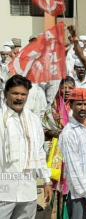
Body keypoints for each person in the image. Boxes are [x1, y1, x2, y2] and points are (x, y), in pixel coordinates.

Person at [0, 75, 53, 218]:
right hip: (3, 192)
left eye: (23, 94)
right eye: (15, 93)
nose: (19, 98)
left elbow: (39, 152)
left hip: (27, 190)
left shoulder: (33, 120)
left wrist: (47, 180)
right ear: (6, 94)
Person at [59, 88, 86, 219]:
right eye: (79, 104)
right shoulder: (68, 133)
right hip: (80, 193)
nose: (83, 108)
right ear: (71, 105)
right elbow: (74, 169)